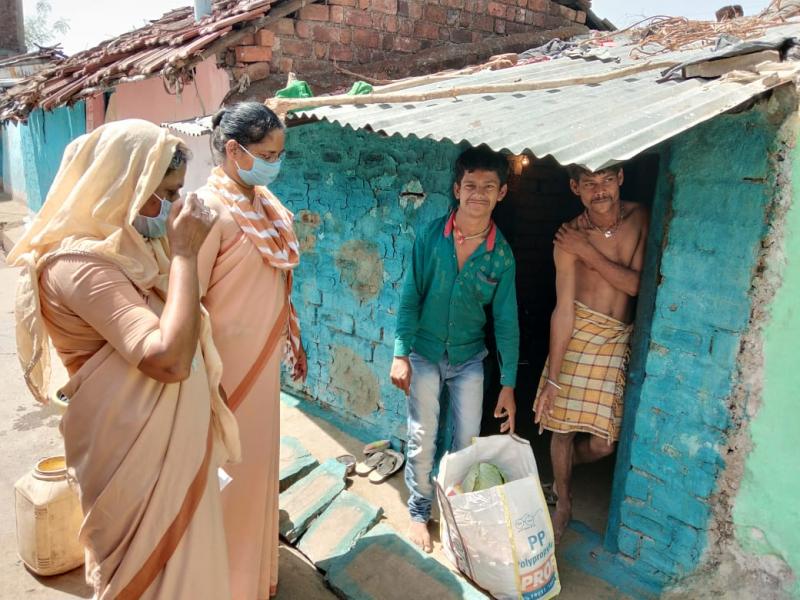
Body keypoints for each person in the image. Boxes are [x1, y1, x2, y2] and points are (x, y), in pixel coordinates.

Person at [8, 119, 240, 599]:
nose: (173, 208)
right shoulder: (77, 264)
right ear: (120, 187)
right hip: (129, 455)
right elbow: (169, 361)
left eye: (177, 192)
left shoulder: (137, 247)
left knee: (193, 573)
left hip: (172, 450)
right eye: (164, 194)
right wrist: (183, 255)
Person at [196, 102, 306, 600]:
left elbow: (280, 284)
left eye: (280, 153)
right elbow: (188, 305)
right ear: (234, 150)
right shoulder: (203, 212)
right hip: (220, 376)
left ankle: (258, 577)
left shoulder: (270, 208)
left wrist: (289, 336)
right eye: (267, 153)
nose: (274, 162)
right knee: (222, 481)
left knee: (258, 473)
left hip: (263, 373)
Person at [390, 145, 519, 553]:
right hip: (425, 353)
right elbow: (411, 299)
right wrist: (399, 352)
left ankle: (450, 511)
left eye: (488, 186)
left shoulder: (501, 255)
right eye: (471, 185)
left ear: (501, 193)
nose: (478, 194)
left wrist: (509, 384)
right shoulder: (430, 238)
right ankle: (418, 512)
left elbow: (506, 322)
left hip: (469, 361)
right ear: (457, 189)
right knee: (423, 435)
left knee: (465, 442)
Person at [533, 164, 649, 542]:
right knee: (561, 427)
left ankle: (559, 473)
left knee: (604, 443)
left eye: (606, 180)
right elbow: (563, 308)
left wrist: (588, 252)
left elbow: (636, 286)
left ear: (620, 179)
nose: (599, 190)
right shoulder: (568, 237)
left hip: (616, 338)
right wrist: (552, 377)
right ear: (575, 188)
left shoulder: (640, 218)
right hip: (578, 333)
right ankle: (563, 500)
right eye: (589, 183)